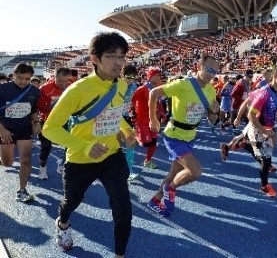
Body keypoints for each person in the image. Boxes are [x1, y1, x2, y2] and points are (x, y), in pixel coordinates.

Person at [42, 32, 134, 257]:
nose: (118, 62)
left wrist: (127, 131)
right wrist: (84, 146)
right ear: (94, 59)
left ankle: (119, 254)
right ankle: (63, 224)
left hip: (112, 155)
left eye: (122, 56)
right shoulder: (77, 90)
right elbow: (49, 128)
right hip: (80, 159)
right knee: (72, 201)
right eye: (111, 56)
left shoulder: (121, 86)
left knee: (123, 209)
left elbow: (114, 114)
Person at [146, 54, 220, 217]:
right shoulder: (183, 84)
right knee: (195, 171)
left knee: (174, 174)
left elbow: (211, 119)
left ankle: (154, 201)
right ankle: (169, 189)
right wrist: (153, 119)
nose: (211, 74)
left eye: (215, 72)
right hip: (174, 136)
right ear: (199, 66)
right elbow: (154, 93)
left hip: (190, 136)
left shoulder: (211, 90)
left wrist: (215, 112)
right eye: (208, 69)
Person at [0, 62, 41, 202]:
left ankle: (22, 190)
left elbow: (33, 110)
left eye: (27, 79)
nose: (23, 82)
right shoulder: (2, 89)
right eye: (20, 78)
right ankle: (2, 160)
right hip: (5, 130)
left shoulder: (35, 91)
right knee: (7, 163)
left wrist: (36, 123)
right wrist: (2, 130)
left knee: (26, 160)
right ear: (13, 75)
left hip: (24, 129)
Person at [245, 63, 277, 196]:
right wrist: (263, 131)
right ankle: (264, 186)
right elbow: (251, 115)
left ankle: (245, 144)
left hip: (269, 128)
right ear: (275, 76)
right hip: (258, 128)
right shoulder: (264, 94)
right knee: (266, 160)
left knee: (268, 155)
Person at [36, 66, 71, 180]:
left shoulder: (70, 87)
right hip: (47, 121)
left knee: (70, 143)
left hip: (65, 121)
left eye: (65, 81)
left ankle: (62, 164)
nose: (63, 83)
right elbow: (39, 107)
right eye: (60, 80)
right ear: (54, 77)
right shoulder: (44, 88)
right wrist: (54, 109)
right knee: (46, 147)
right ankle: (42, 168)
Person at [131, 66, 165, 169]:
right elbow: (132, 100)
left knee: (153, 143)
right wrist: (132, 113)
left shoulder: (159, 88)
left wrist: (163, 114)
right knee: (146, 143)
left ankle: (147, 160)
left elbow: (158, 103)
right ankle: (135, 135)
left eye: (158, 75)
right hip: (142, 120)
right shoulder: (142, 89)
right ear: (149, 77)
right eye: (154, 75)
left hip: (153, 120)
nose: (157, 77)